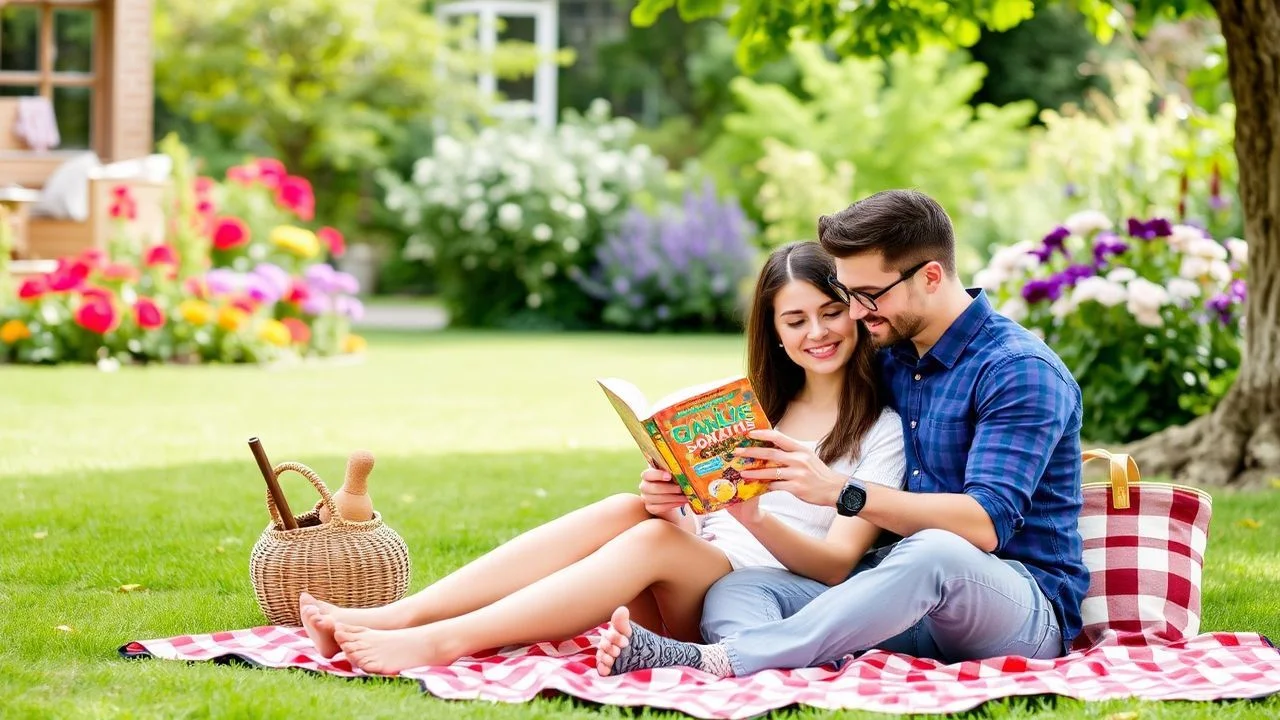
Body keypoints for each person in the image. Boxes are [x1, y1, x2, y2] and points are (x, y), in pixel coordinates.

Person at [299, 241, 907, 675]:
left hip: (759, 602)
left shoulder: (882, 429)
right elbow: (701, 526)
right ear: (773, 332)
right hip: (695, 569)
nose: (817, 333)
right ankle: (395, 617)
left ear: (854, 311)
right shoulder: (755, 405)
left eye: (830, 312)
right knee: (630, 511)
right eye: (795, 319)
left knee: (654, 544)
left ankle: (442, 641)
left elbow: (834, 567)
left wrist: (754, 518)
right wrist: (670, 503)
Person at [595, 189, 1089, 679]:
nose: (854, 313)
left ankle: (725, 658)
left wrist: (839, 492)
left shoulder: (1017, 370)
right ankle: (769, 668)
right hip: (900, 600)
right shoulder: (894, 357)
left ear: (931, 277)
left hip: (1015, 609)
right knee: (741, 589)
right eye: (849, 296)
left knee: (936, 550)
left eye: (868, 296)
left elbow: (984, 524)